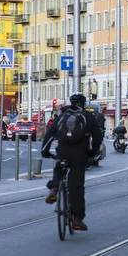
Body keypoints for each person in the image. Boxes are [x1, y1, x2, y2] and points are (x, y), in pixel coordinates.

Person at [41, 92, 103, 231]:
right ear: (84, 103)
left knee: (59, 167)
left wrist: (45, 151)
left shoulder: (63, 116)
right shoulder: (88, 116)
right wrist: (92, 153)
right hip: (79, 153)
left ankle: (54, 189)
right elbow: (97, 137)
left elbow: (50, 133)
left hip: (62, 150)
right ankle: (77, 219)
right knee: (76, 186)